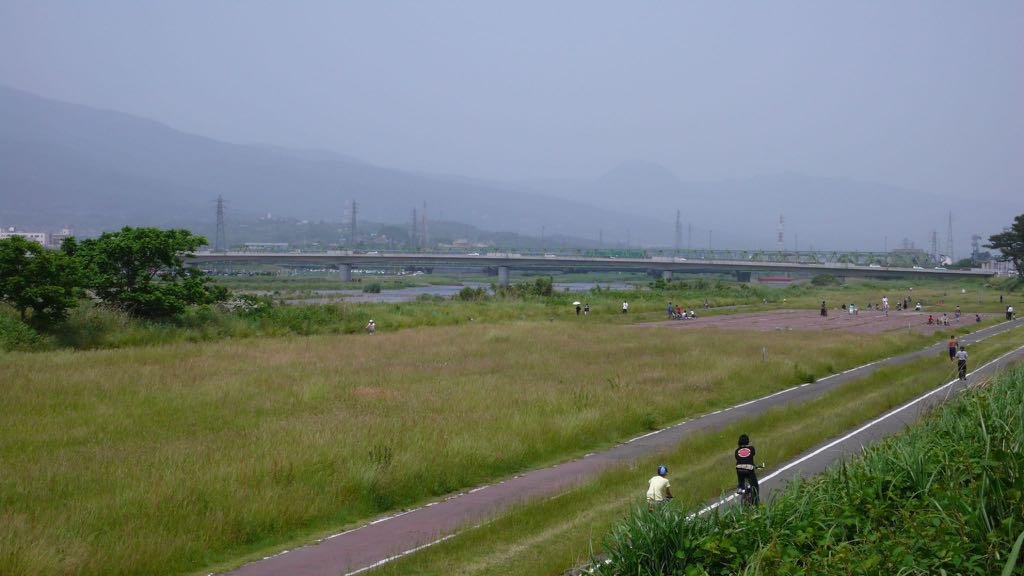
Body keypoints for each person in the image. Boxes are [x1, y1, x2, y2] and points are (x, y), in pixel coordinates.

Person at [735, 434, 759, 504]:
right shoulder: (751, 448)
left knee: (740, 479)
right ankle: (756, 503)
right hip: (749, 468)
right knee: (755, 486)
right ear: (747, 441)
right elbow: (752, 455)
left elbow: (738, 458)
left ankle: (740, 487)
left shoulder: (737, 450)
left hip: (739, 469)